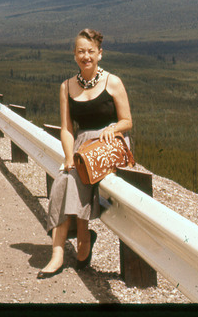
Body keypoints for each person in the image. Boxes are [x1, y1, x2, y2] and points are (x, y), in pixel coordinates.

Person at [38, 28, 133, 278]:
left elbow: (127, 121)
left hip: (109, 144)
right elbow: (67, 129)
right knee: (65, 177)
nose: (86, 56)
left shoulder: (112, 82)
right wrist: (69, 157)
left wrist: (112, 128)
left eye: (91, 51)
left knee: (75, 176)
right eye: (81, 51)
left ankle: (82, 236)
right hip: (81, 146)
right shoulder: (67, 87)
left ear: (100, 54)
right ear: (74, 55)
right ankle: (58, 252)